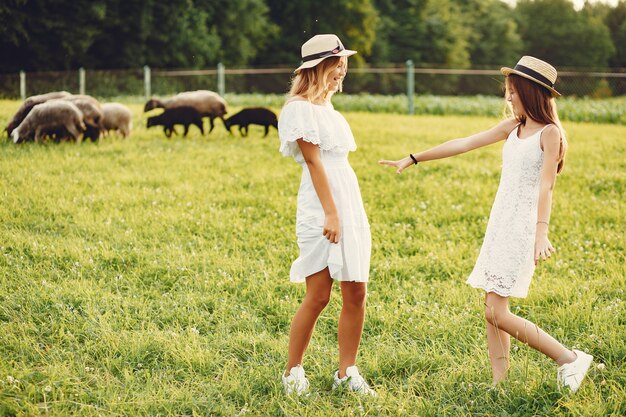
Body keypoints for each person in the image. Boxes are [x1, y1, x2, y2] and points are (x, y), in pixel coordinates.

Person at [379, 56, 593, 393]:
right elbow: (464, 143)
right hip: (500, 223)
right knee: (491, 308)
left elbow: (546, 186)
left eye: (513, 91)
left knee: (497, 310)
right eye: (507, 91)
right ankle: (500, 383)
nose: (508, 98)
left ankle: (569, 358)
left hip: (521, 227)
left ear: (531, 92)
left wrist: (542, 233)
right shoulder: (513, 127)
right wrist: (414, 157)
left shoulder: (550, 134)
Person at [277, 34, 375, 396]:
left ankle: (346, 372)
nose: (342, 74)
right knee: (318, 294)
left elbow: (336, 164)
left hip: (349, 201)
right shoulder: (298, 109)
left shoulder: (330, 109)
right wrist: (331, 215)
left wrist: (345, 212)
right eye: (338, 67)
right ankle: (292, 372)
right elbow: (315, 163)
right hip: (321, 207)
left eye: (344, 67)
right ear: (318, 69)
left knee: (357, 291)